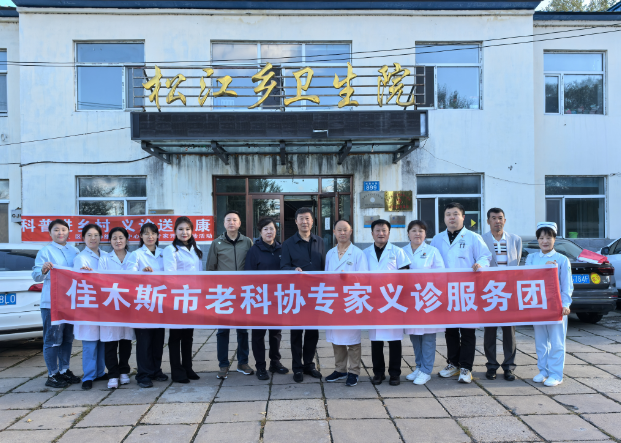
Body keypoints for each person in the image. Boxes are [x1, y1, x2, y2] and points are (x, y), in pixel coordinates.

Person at [430, 202, 492, 384]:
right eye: (448, 214)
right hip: (445, 291)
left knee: (467, 331)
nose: (452, 217)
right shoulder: (437, 239)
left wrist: (480, 264)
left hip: (467, 291)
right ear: (444, 218)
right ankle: (453, 364)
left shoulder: (473, 237)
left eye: (455, 214)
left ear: (463, 217)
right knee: (450, 330)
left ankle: (466, 367)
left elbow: (485, 256)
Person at [32, 219, 81, 388]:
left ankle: (64, 370)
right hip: (52, 303)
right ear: (50, 233)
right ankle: (52, 374)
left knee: (67, 339)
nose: (60, 233)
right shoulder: (45, 251)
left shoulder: (74, 251)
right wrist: (43, 269)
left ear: (68, 232)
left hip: (69, 302)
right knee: (52, 339)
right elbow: (36, 276)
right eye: (56, 230)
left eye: (63, 230)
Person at [206, 210, 254, 379]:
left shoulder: (247, 242)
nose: (231, 222)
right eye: (228, 220)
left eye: (235, 220)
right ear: (224, 223)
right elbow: (210, 269)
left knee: (243, 330)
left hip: (242, 293)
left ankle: (243, 362)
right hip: (223, 294)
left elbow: (252, 265)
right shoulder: (216, 243)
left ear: (239, 223)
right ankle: (223, 364)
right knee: (222, 331)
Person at [363, 219, 411, 386]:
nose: (381, 233)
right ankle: (378, 373)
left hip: (393, 301)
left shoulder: (398, 252)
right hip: (373, 301)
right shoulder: (365, 253)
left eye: (384, 230)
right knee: (376, 339)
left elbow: (406, 277)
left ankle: (395, 373)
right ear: (372, 233)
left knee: (394, 339)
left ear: (389, 233)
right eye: (377, 230)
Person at [281, 207, 325, 383]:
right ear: (296, 222)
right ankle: (297, 367)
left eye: (307, 218)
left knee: (313, 332)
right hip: (297, 294)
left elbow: (324, 266)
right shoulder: (288, 244)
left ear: (312, 221)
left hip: (316, 294)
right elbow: (283, 267)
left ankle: (309, 364)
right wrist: (293, 270)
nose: (304, 222)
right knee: (296, 333)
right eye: (301, 218)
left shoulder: (320, 241)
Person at [526, 222, 573, 387]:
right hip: (538, 305)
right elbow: (526, 278)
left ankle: (556, 374)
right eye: (541, 238)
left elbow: (567, 285)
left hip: (555, 306)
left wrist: (565, 304)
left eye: (548, 237)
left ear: (554, 239)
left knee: (556, 341)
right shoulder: (532, 258)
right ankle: (543, 371)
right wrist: (543, 269)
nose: (544, 241)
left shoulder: (562, 259)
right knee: (540, 341)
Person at [324, 219, 369, 387]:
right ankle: (340, 369)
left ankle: (354, 371)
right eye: (339, 230)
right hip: (334, 300)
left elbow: (364, 279)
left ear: (351, 232)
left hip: (351, 300)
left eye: (345, 230)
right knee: (337, 337)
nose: (342, 233)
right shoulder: (330, 253)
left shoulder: (358, 253)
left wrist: (349, 279)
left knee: (352, 338)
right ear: (334, 232)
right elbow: (326, 277)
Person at [244, 217, 289, 380]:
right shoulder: (254, 251)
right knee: (258, 334)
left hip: (277, 298)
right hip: (259, 299)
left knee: (276, 333)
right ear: (260, 232)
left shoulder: (282, 249)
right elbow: (248, 276)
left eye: (271, 228)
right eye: (265, 229)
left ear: (276, 231)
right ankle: (261, 366)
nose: (269, 232)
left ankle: (275, 362)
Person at [482, 208, 523, 382]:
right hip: (489, 290)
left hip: (509, 291)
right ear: (488, 221)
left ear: (505, 220)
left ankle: (509, 367)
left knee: (509, 331)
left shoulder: (515, 240)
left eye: (500, 218)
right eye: (493, 218)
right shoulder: (481, 239)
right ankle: (491, 365)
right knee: (489, 331)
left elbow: (517, 263)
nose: (497, 221)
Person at [402, 220, 445, 386]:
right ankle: (419, 366)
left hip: (427, 299)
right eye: (413, 230)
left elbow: (440, 275)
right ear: (408, 234)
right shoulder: (402, 251)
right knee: (415, 335)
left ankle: (426, 370)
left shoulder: (432, 251)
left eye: (421, 230)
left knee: (427, 336)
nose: (417, 234)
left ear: (425, 234)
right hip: (410, 300)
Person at [126, 222, 168, 388]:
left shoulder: (164, 253)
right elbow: (128, 275)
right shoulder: (136, 254)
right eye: (146, 233)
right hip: (142, 302)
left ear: (157, 236)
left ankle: (156, 370)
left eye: (153, 233)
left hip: (160, 301)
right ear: (141, 236)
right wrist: (141, 273)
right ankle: (143, 374)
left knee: (158, 339)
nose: (150, 236)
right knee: (144, 340)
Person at [163, 216, 203, 383]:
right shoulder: (170, 250)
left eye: (187, 229)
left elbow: (200, 274)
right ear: (175, 231)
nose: (184, 232)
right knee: (175, 336)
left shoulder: (196, 248)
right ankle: (177, 371)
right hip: (177, 298)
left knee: (188, 335)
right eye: (180, 229)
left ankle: (188, 367)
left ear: (192, 231)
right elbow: (170, 276)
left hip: (192, 297)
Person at [99, 227, 136, 389]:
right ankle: (112, 374)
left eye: (121, 238)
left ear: (126, 240)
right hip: (110, 305)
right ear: (110, 241)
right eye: (114, 238)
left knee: (126, 340)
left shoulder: (133, 257)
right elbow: (100, 280)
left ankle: (124, 371)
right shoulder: (104, 259)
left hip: (128, 305)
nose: (118, 241)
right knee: (110, 341)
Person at [73, 223, 107, 390]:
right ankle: (88, 376)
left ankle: (100, 372)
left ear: (101, 237)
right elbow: (77, 281)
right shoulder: (80, 258)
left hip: (105, 304)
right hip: (89, 305)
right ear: (83, 238)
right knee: (90, 342)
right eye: (89, 235)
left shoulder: (106, 255)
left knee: (102, 340)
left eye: (96, 235)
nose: (93, 238)